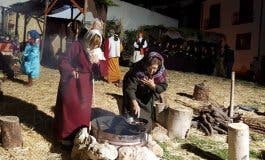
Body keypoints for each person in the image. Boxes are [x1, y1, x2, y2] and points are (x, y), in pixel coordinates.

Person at [53, 29, 100, 146]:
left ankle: (80, 134)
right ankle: (66, 137)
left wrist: (97, 63)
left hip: (86, 85)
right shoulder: (76, 46)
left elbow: (100, 71)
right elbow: (63, 60)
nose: (94, 47)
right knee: (70, 109)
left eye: (97, 45)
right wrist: (71, 70)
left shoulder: (96, 51)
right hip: (73, 83)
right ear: (88, 39)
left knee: (83, 110)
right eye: (93, 43)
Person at [122, 51, 168, 125]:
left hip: (147, 95)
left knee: (145, 121)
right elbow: (130, 89)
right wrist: (134, 103)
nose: (152, 71)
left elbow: (163, 87)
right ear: (146, 64)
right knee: (130, 116)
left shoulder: (160, 73)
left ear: (158, 67)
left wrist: (153, 86)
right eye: (150, 68)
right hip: (133, 91)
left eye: (154, 68)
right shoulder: (136, 70)